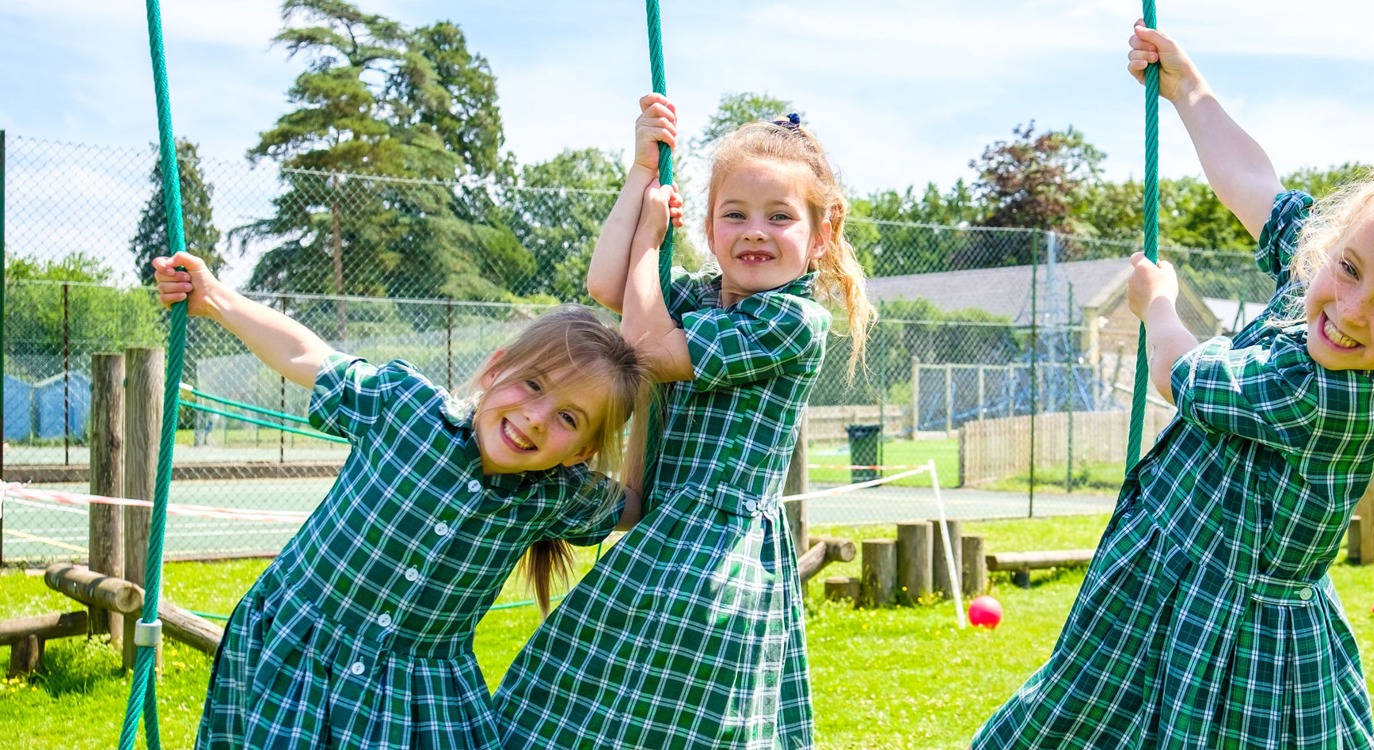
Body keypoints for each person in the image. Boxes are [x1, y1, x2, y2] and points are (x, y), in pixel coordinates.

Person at [973, 24, 1374, 749]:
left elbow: (1184, 376)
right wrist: (1189, 90)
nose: (1351, 309)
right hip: (1172, 581)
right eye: (1349, 268)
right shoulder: (1321, 286)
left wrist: (1158, 309)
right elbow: (1254, 187)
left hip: (1235, 641)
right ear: (1335, 243)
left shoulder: (1324, 393)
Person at [492, 94, 874, 749]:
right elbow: (608, 284)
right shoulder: (698, 298)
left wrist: (649, 242)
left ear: (820, 236)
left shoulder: (791, 321)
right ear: (709, 226)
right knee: (590, 697)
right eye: (735, 214)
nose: (755, 231)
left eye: (779, 216)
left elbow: (647, 348)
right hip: (669, 529)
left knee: (675, 719)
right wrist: (642, 172)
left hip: (715, 556)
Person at [153, 253, 648, 749]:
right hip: (299, 656)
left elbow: (638, 503)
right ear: (495, 371)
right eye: (534, 384)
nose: (537, 417)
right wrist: (215, 298)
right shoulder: (404, 408)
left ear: (582, 452)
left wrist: (660, 371)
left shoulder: (555, 496)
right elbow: (305, 354)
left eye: (569, 418)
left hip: (415, 699)